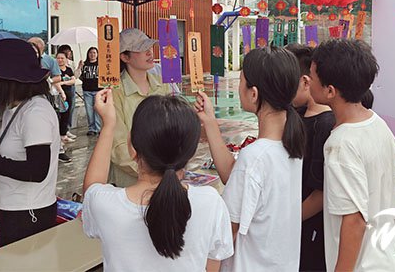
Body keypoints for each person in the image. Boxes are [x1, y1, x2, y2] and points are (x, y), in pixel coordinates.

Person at [82, 91, 233, 271]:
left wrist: (108, 126)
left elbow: (92, 188)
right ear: (190, 153)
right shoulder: (210, 202)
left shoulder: (105, 204)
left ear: (132, 148)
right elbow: (212, 265)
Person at [195, 46, 306, 271]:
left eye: (241, 81)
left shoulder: (255, 157)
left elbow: (225, 236)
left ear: (253, 94)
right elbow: (234, 177)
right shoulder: (290, 144)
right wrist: (210, 122)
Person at [310, 39, 395, 272]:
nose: (308, 81)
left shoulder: (340, 144)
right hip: (391, 257)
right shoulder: (376, 122)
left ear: (330, 91)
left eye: (312, 76)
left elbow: (354, 220)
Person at [0, 39, 60, 248]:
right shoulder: (13, 108)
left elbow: (37, 170)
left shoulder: (36, 112)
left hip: (28, 214)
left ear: (9, 78)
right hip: (10, 209)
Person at [286, 44, 334, 272]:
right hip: (298, 222)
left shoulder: (325, 125)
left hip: (311, 226)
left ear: (306, 82)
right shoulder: (298, 114)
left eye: (287, 83)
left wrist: (288, 221)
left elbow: (321, 193)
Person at [110, 29, 172, 187]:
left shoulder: (162, 84)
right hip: (130, 183)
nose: (149, 52)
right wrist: (151, 174)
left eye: (149, 47)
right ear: (125, 57)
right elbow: (118, 146)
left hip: (165, 176)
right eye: (141, 49)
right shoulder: (114, 92)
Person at [78, 47, 102, 136]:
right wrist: (79, 67)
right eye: (90, 53)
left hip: (98, 90)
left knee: (97, 110)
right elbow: (78, 76)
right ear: (88, 54)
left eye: (94, 53)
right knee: (89, 111)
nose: (92, 54)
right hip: (87, 90)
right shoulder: (84, 64)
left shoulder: (101, 64)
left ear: (97, 54)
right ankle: (91, 128)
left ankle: (98, 128)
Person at [56, 52, 76, 153]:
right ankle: (58, 136)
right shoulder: (55, 70)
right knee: (60, 115)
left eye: (62, 58)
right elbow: (56, 83)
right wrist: (61, 86)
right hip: (59, 96)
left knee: (67, 114)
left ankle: (64, 134)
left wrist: (63, 82)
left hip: (69, 94)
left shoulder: (69, 70)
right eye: (58, 58)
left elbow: (73, 80)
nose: (60, 60)